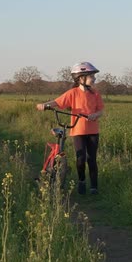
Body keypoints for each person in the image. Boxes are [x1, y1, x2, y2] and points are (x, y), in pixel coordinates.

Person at [36, 62, 104, 195]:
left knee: (92, 159)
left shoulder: (95, 94)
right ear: (81, 78)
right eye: (92, 76)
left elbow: (101, 110)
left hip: (93, 131)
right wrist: (44, 105)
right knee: (80, 158)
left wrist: (95, 115)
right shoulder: (73, 93)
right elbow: (57, 102)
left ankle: (94, 187)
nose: (94, 79)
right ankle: (82, 181)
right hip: (78, 131)